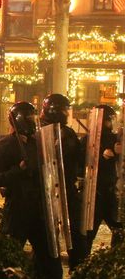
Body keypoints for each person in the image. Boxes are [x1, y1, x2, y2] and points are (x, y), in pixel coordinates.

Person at [0, 102, 64, 279]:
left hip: (39, 207)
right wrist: (19, 171)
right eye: (28, 119)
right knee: (10, 253)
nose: (32, 123)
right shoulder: (6, 145)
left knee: (49, 252)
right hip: (18, 207)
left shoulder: (38, 142)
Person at [39, 93, 88, 268]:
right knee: (47, 240)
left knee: (76, 235)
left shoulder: (67, 132)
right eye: (64, 110)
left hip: (68, 188)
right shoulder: (40, 132)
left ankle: (78, 272)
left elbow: (79, 157)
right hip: (47, 191)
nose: (67, 113)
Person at [85, 104, 123, 250]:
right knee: (89, 233)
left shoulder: (115, 138)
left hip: (110, 192)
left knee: (119, 230)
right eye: (109, 120)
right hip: (95, 194)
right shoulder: (89, 141)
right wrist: (104, 155)